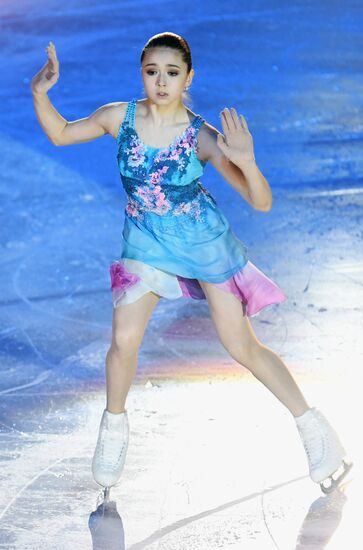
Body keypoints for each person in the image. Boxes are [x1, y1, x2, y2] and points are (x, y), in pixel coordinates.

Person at [31, 32, 352, 497]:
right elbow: (61, 134)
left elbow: (259, 202)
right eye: (152, 72)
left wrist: (249, 161)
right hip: (145, 242)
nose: (161, 82)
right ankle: (114, 429)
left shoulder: (202, 136)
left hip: (204, 244)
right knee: (123, 340)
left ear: (188, 78)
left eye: (172, 73)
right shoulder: (116, 117)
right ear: (141, 73)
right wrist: (41, 92)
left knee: (242, 346)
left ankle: (315, 431)